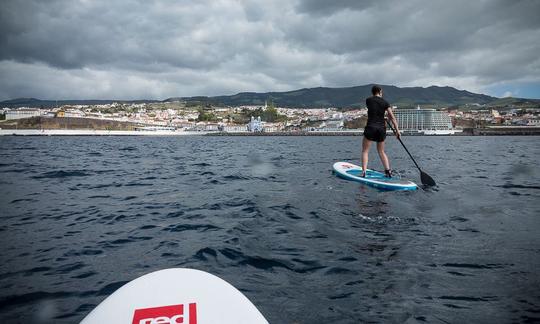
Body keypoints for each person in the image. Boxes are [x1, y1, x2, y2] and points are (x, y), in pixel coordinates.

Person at [361, 85, 401, 178]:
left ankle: (364, 172)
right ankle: (388, 171)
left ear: (372, 92)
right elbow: (392, 118)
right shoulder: (385, 102)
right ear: (380, 91)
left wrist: (381, 116)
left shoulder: (368, 100)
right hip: (381, 129)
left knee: (365, 151)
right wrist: (397, 131)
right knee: (381, 151)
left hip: (371, 127)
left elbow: (374, 111)